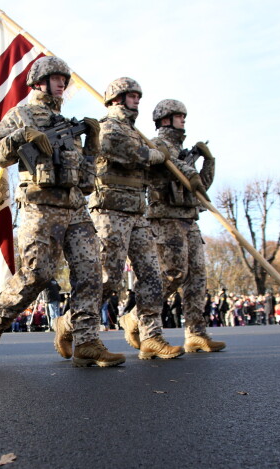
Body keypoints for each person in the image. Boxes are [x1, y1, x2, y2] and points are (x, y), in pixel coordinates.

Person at [0, 56, 124, 367]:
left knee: (91, 274)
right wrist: (20, 136)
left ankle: (86, 341)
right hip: (41, 207)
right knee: (37, 274)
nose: (62, 84)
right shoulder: (22, 114)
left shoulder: (67, 126)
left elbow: (85, 178)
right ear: (39, 81)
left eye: (64, 79)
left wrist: (93, 142)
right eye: (56, 78)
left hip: (75, 207)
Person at [88, 77, 182, 359]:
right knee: (108, 278)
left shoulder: (134, 131)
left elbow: (148, 165)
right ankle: (74, 325)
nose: (137, 100)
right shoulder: (109, 127)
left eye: (139, 96)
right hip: (110, 210)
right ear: (117, 99)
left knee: (153, 275)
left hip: (137, 211)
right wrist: (156, 154)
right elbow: (130, 154)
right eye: (132, 96)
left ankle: (151, 335)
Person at [121, 99, 225, 353]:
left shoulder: (183, 151)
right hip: (166, 219)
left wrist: (208, 161)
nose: (184, 120)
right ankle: (137, 317)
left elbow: (200, 188)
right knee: (172, 275)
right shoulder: (158, 147)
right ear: (165, 120)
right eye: (179, 116)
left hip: (189, 218)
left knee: (197, 277)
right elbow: (166, 177)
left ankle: (196, 332)